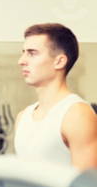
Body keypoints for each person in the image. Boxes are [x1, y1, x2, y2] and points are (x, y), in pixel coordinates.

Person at [15, 23, 97, 170]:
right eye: (23, 52)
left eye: (32, 53)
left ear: (59, 61)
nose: (21, 61)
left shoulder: (77, 115)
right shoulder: (23, 116)